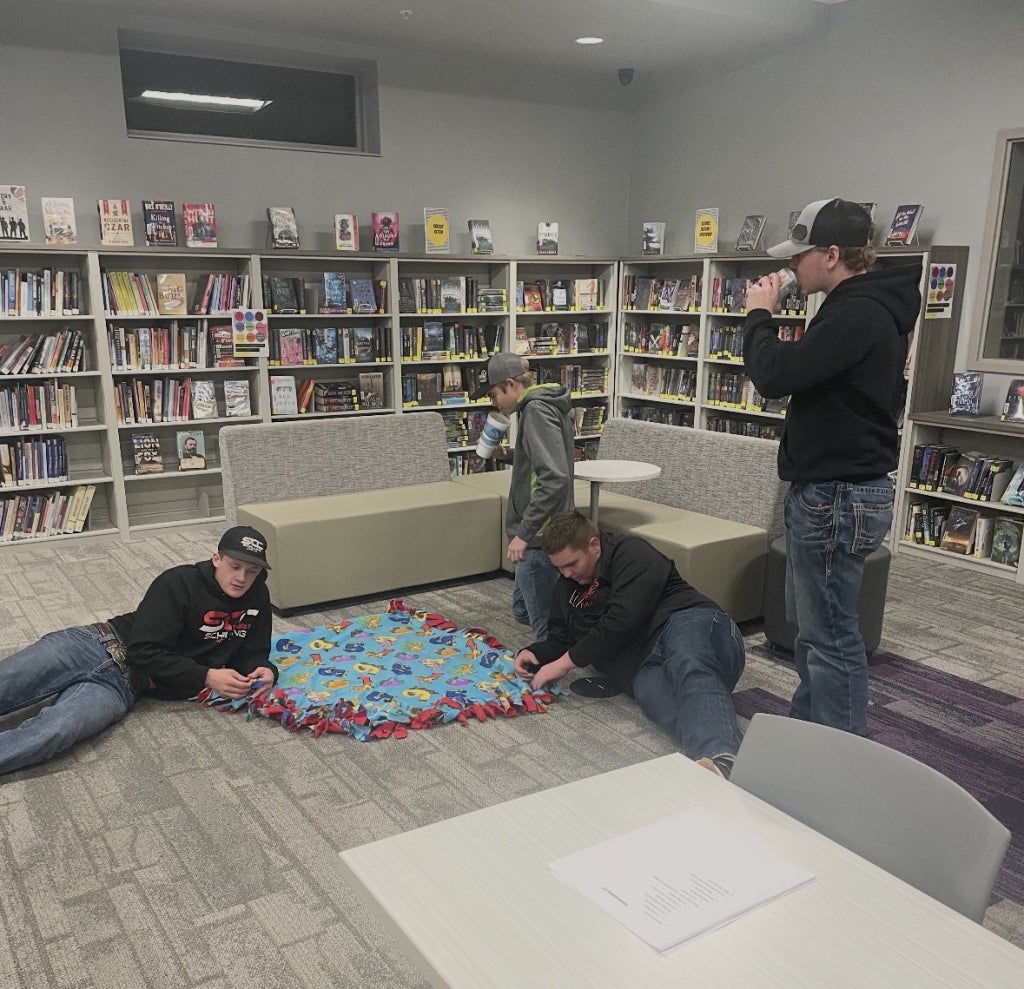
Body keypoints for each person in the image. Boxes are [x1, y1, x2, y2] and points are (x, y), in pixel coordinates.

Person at [743, 197, 922, 736]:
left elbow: (774, 376)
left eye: (801, 255)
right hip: (835, 490)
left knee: (832, 636)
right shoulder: (858, 308)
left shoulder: (856, 313)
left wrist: (759, 315)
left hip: (836, 495)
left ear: (833, 253)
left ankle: (843, 760)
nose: (793, 268)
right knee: (815, 632)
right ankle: (808, 734)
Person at [0, 526, 277, 777]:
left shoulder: (258, 597)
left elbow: (254, 650)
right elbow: (142, 651)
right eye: (235, 566)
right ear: (216, 559)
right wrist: (205, 676)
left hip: (127, 687)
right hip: (93, 644)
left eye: (251, 571)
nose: (241, 578)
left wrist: (265, 668)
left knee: (55, 732)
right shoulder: (179, 582)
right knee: (7, 681)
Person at [513, 511, 745, 776]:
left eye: (572, 564)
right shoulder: (566, 587)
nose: (566, 574)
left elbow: (623, 619)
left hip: (687, 621)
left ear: (594, 545)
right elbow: (561, 639)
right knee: (662, 704)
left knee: (688, 662)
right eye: (559, 568)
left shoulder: (630, 552)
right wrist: (533, 653)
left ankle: (722, 760)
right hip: (641, 663)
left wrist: (565, 664)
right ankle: (726, 760)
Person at [472, 352, 575, 639]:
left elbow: (554, 477)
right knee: (521, 610)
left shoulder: (537, 412)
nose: (494, 403)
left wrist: (524, 535)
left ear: (510, 384)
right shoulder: (539, 406)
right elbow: (542, 460)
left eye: (494, 395)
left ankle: (548, 672)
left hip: (539, 534)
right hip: (542, 528)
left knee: (544, 626)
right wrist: (506, 454)